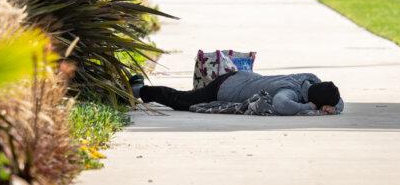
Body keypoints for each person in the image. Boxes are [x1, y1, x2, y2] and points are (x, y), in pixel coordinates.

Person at [129, 71, 343, 116]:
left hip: (242, 76)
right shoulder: (290, 92)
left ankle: (140, 88)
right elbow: (281, 105)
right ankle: (138, 89)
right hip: (225, 88)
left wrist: (335, 106)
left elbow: (339, 100)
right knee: (181, 100)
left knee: (184, 97)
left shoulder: (311, 79)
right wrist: (308, 108)